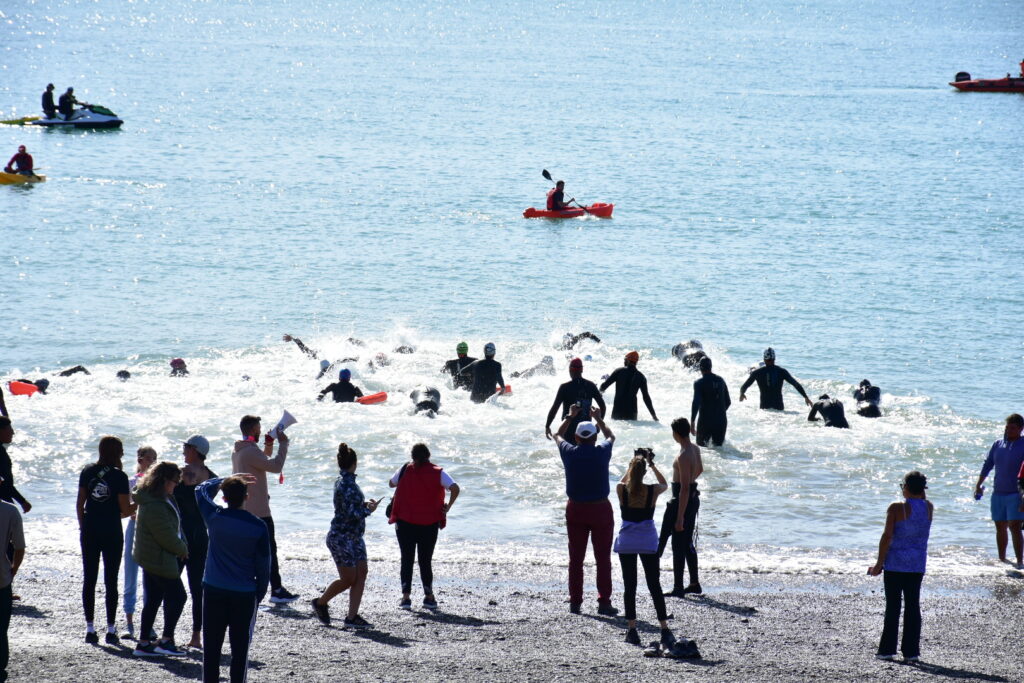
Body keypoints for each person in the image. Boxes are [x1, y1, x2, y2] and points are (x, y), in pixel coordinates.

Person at [197, 473, 269, 683]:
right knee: (240, 651)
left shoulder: (214, 516)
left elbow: (200, 490)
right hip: (244, 593)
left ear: (225, 497)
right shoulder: (258, 526)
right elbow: (264, 565)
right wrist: (260, 593)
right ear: (246, 496)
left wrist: (222, 480)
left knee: (211, 648)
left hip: (214, 589)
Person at [553, 404, 618, 616]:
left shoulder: (569, 452)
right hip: (600, 508)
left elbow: (557, 434)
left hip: (576, 509)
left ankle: (575, 601)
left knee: (576, 559)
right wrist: (598, 419)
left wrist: (570, 417)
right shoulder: (602, 451)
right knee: (603, 558)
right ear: (594, 436)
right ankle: (604, 601)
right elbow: (611, 436)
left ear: (577, 437)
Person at [312, 443, 380, 628]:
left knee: (362, 573)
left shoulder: (342, 481)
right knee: (348, 579)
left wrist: (363, 505)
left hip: (355, 537)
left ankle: (352, 617)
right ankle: (320, 603)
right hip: (341, 537)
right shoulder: (347, 484)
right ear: (354, 463)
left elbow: (347, 507)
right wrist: (370, 510)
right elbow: (351, 514)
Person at [231, 415, 298, 603]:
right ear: (253, 430)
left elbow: (263, 458)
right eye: (259, 428)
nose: (261, 431)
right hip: (259, 510)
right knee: (269, 550)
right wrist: (284, 444)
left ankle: (251, 586)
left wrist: (269, 444)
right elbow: (275, 466)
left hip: (246, 508)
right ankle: (275, 590)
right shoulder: (249, 451)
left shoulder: (240, 450)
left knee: (251, 551)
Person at [868, 471, 933, 662]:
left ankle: (887, 650)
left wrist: (879, 564)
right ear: (922, 489)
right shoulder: (929, 507)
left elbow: (887, 536)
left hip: (896, 563)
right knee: (913, 606)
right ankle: (911, 652)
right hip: (917, 564)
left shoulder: (896, 508)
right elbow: (921, 504)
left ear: (905, 487)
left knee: (893, 607)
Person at [388, 443, 460, 610]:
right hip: (429, 523)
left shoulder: (406, 469)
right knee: (425, 560)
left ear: (412, 457)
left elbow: (391, 484)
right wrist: (447, 507)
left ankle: (406, 598)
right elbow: (455, 488)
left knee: (406, 558)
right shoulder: (438, 472)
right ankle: (428, 596)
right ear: (429, 455)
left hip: (405, 521)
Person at [614, 449, 674, 648]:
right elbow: (665, 484)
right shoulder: (652, 491)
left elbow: (623, 481)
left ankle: (632, 630)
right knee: (654, 585)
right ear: (644, 472)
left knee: (630, 586)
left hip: (627, 542)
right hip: (648, 542)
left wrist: (632, 465)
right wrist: (652, 464)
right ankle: (664, 628)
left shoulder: (622, 490)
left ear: (631, 471)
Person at [77, 435, 132, 645]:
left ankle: (90, 628)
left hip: (90, 531)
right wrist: (143, 503)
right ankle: (110, 629)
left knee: (89, 578)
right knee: (111, 579)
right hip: (112, 532)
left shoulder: (87, 471)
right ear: (117, 453)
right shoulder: (119, 476)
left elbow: (80, 504)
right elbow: (125, 511)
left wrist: (83, 527)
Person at [132, 462, 188, 657]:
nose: (176, 485)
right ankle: (165, 640)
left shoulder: (157, 497)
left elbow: (173, 527)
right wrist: (182, 549)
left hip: (152, 557)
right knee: (179, 596)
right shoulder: (155, 503)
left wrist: (182, 544)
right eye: (175, 481)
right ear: (164, 481)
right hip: (158, 558)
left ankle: (144, 643)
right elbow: (164, 534)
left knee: (154, 599)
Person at [174, 436, 215, 649]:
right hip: (201, 536)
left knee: (171, 583)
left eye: (185, 447)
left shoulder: (178, 475)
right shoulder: (212, 478)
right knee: (198, 588)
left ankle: (167, 634)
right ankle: (196, 636)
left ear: (194, 450)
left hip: (180, 536)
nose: (182, 450)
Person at [657, 418, 703, 597]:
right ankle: (694, 583)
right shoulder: (695, 449)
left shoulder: (683, 455)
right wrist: (691, 481)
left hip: (681, 499)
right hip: (692, 496)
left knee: (677, 542)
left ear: (676, 433)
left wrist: (680, 517)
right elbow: (700, 470)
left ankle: (678, 587)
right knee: (687, 541)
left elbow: (683, 489)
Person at [974, 414, 1024, 568]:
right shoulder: (998, 444)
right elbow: (988, 465)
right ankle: (1002, 560)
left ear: (1021, 429)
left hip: (1016, 493)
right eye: (1007, 427)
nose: (1009, 430)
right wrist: (978, 485)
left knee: (1015, 526)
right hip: (998, 492)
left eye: (1013, 428)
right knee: (999, 526)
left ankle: (1019, 562)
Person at [123, 446, 157, 639]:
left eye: (155, 458)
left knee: (150, 578)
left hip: (150, 531)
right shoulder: (131, 481)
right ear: (140, 459)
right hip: (134, 529)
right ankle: (129, 622)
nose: (152, 462)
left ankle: (148, 624)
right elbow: (125, 509)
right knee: (130, 574)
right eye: (149, 458)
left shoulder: (157, 485)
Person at [544, 357, 606, 443]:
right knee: (586, 455)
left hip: (569, 430)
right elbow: (602, 406)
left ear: (570, 370)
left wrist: (547, 426)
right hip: (586, 432)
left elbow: (555, 408)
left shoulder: (564, 387)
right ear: (582, 370)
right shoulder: (591, 386)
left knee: (570, 455)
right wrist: (599, 424)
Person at [0, 495, 25, 683]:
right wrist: (13, 570)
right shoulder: (10, 511)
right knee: (1, 628)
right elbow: (19, 547)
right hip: (2, 578)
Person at [738, 348, 812, 410]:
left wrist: (742, 393)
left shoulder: (757, 373)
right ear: (774, 359)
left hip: (764, 409)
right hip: (779, 408)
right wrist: (805, 397)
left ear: (764, 359)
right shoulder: (782, 371)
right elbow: (795, 384)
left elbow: (744, 386)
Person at [599, 351, 658, 421]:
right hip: (632, 412)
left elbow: (604, 386)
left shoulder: (619, 371)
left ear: (628, 360)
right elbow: (646, 398)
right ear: (636, 362)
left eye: (624, 360)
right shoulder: (641, 377)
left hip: (618, 410)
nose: (624, 362)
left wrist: (599, 395)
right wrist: (654, 415)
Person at [690, 356, 731, 446]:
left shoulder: (699, 383)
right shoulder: (721, 380)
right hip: (721, 421)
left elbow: (696, 402)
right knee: (719, 449)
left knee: (702, 449)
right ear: (711, 367)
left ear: (700, 368)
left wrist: (692, 422)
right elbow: (728, 402)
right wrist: (718, 413)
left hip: (705, 421)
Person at [0, 419, 31, 515]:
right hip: (3, 500)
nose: (12, 432)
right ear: (1, 430)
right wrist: (22, 501)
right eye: (9, 429)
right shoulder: (0, 453)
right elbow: (5, 483)